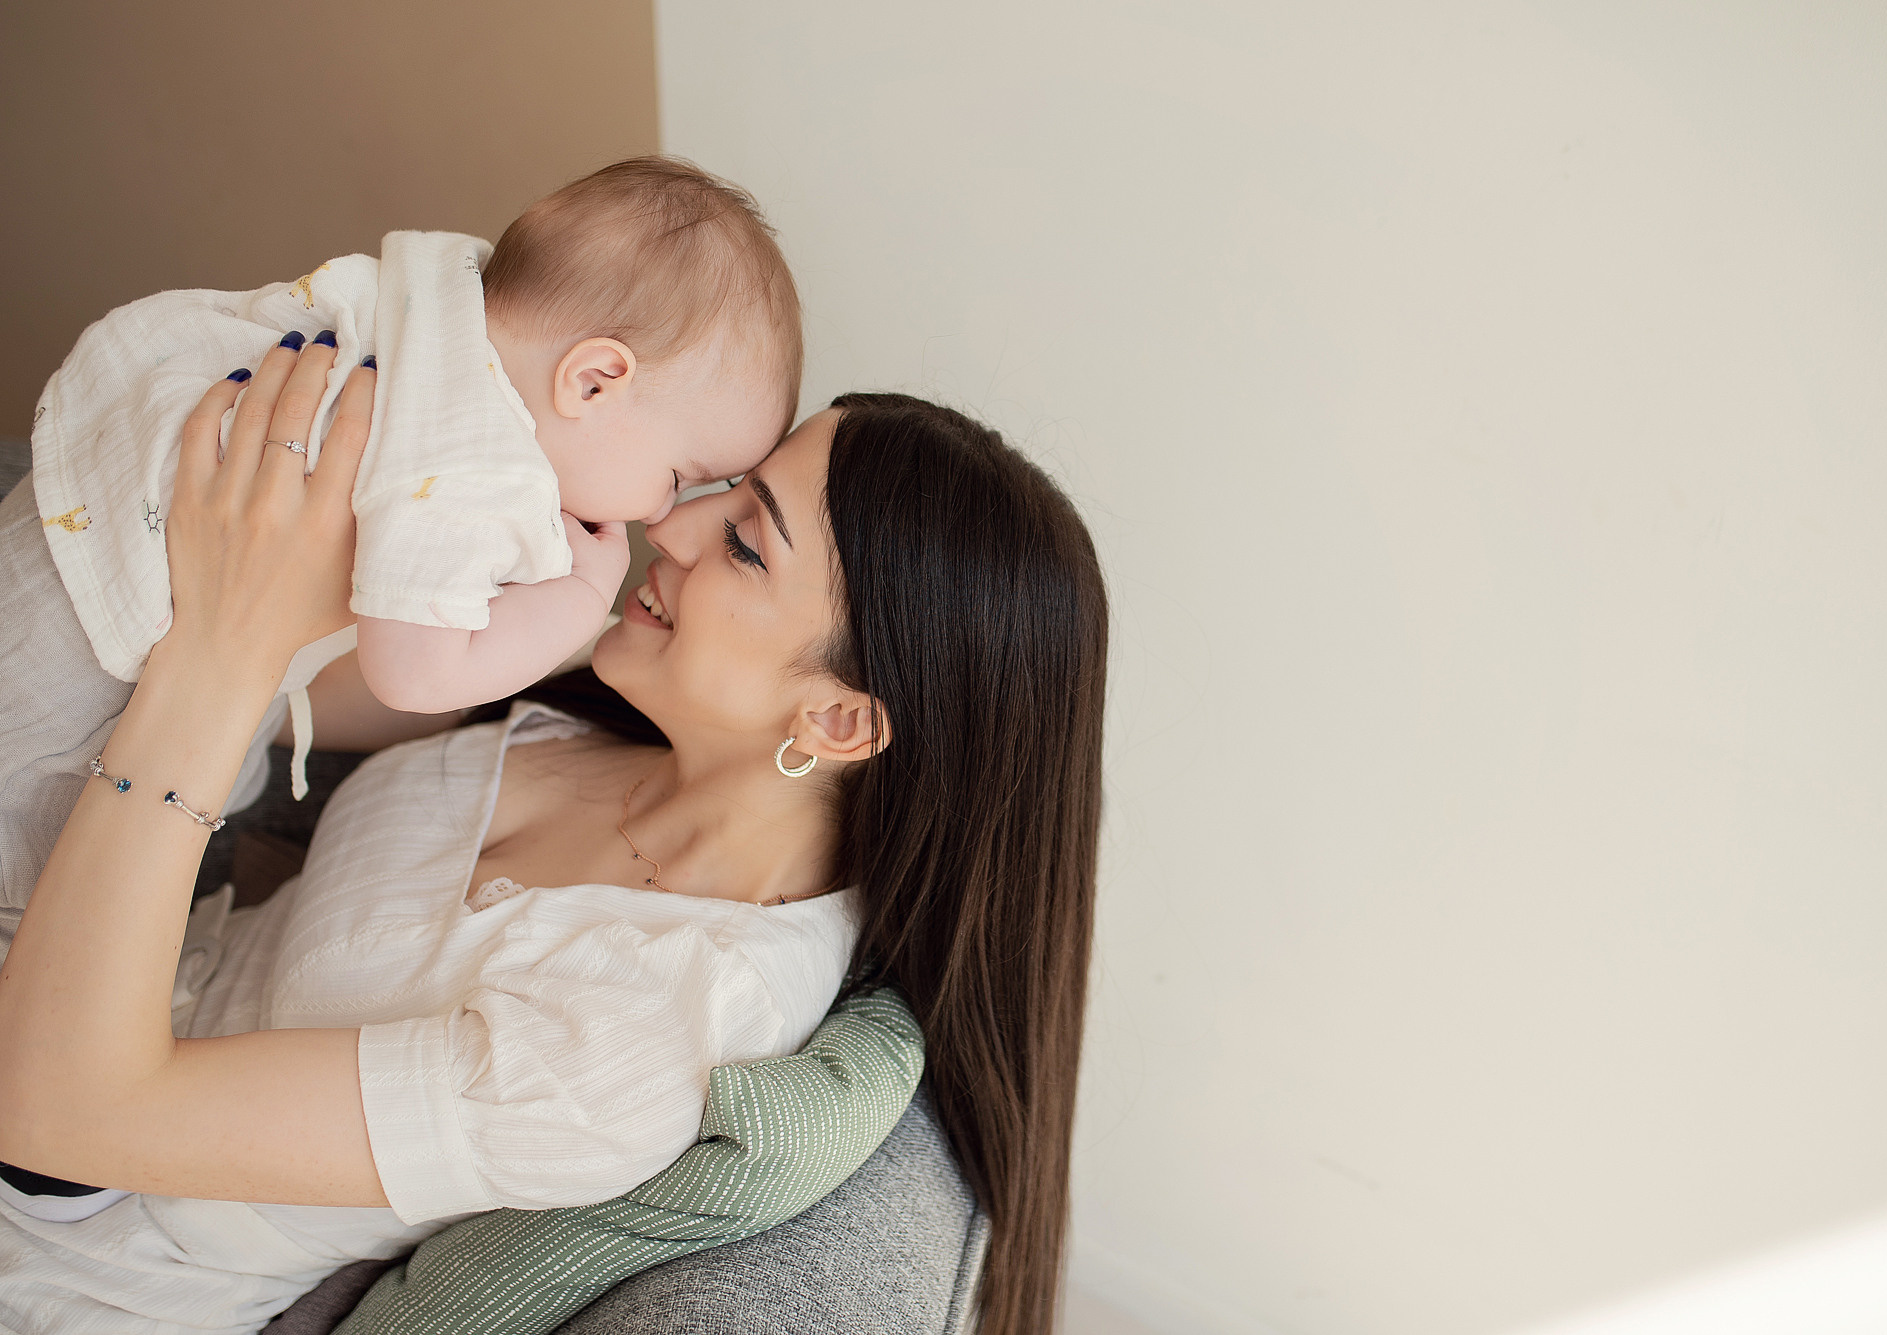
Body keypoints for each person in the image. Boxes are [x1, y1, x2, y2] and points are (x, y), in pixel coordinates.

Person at [0, 335, 1108, 1335]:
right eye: (720, 493)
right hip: (61, 976)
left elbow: (64, 1112)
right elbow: (255, 693)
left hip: (61, 1260)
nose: (667, 527)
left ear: (836, 719)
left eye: (745, 546)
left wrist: (224, 648)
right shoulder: (601, 715)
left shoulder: (648, 1034)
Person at [2, 156, 798, 927]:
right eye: (677, 474)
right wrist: (582, 601)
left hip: (62, 524)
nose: (660, 517)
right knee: (28, 890)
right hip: (74, 677)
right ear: (592, 381)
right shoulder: (473, 462)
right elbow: (413, 671)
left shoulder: (429, 304)